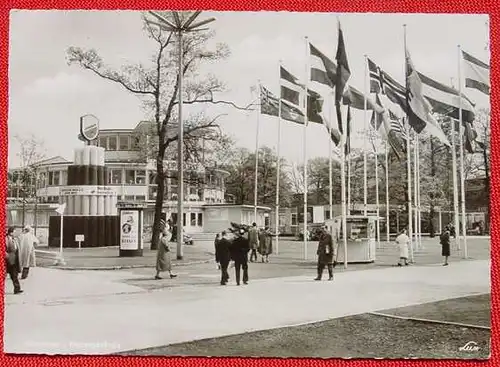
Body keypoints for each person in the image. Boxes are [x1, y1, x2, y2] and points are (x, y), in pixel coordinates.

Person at [5, 227, 22, 294]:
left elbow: (17, 248)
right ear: (11, 232)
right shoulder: (6, 239)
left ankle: (17, 289)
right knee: (11, 275)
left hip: (15, 259)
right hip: (8, 260)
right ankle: (17, 288)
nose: (15, 233)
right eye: (14, 232)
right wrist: (7, 256)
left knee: (14, 275)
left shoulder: (14, 239)